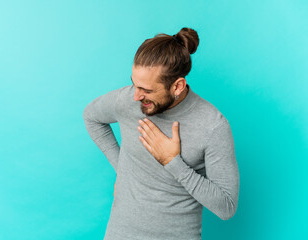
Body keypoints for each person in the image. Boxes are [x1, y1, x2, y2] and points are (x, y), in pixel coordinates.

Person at [83, 27, 239, 240]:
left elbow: (227, 207)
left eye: (146, 90)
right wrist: (122, 170)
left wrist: (172, 162)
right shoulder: (129, 100)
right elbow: (91, 116)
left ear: (177, 86)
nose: (136, 96)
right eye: (134, 84)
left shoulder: (213, 126)